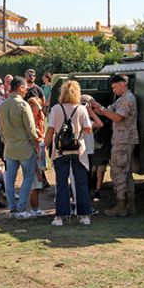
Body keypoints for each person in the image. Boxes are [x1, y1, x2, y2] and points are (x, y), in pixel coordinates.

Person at [45, 80, 93, 226]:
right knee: (81, 183)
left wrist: (45, 146)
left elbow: (51, 130)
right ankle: (84, 215)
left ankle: (60, 216)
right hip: (78, 150)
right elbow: (88, 129)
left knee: (61, 183)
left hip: (60, 151)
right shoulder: (81, 109)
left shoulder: (56, 109)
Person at [92, 74, 138, 217]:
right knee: (126, 172)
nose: (113, 90)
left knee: (118, 171)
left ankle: (121, 205)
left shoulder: (128, 100)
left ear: (123, 84)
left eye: (114, 87)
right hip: (122, 140)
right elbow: (108, 110)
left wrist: (102, 110)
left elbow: (117, 117)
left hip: (124, 140)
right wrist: (95, 106)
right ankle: (130, 205)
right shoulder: (122, 99)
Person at [0, 77, 39, 220]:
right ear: (20, 87)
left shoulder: (2, 105)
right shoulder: (23, 105)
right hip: (25, 147)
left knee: (10, 179)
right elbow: (31, 129)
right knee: (27, 177)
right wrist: (36, 143)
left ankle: (13, 208)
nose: (27, 90)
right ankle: (21, 208)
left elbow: (0, 129)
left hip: (9, 147)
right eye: (25, 87)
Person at [27, 97, 46, 216]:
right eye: (33, 106)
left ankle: (36, 208)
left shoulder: (40, 120)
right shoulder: (30, 122)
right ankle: (34, 209)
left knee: (38, 185)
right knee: (35, 183)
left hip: (39, 153)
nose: (36, 109)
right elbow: (32, 149)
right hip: (33, 154)